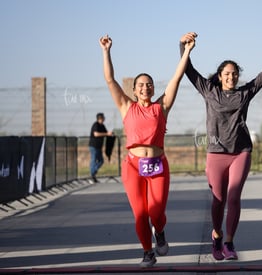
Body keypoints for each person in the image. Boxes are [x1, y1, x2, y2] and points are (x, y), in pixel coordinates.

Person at [179, 32, 262, 260]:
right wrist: (183, 46)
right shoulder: (208, 91)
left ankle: (229, 243)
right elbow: (188, 71)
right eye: (227, 74)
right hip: (216, 153)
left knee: (233, 197)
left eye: (234, 74)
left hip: (241, 152)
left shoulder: (245, 94)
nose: (231, 77)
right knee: (218, 200)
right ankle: (217, 235)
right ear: (220, 76)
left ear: (238, 76)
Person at [99, 34, 195, 268]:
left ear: (153, 88)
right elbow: (110, 80)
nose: (145, 87)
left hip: (158, 165)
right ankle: (147, 252)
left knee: (156, 212)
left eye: (149, 84)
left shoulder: (161, 107)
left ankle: (160, 231)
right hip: (133, 166)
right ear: (134, 90)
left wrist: (187, 51)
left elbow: (176, 78)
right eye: (140, 84)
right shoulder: (126, 107)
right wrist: (106, 51)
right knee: (141, 214)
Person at [89, 112, 113, 183]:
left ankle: (93, 172)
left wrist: (110, 134)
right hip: (93, 146)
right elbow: (95, 134)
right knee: (94, 159)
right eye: (103, 117)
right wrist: (106, 134)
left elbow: (106, 133)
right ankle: (92, 175)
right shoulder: (95, 125)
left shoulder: (102, 126)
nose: (104, 119)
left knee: (101, 161)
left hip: (99, 147)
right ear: (100, 118)